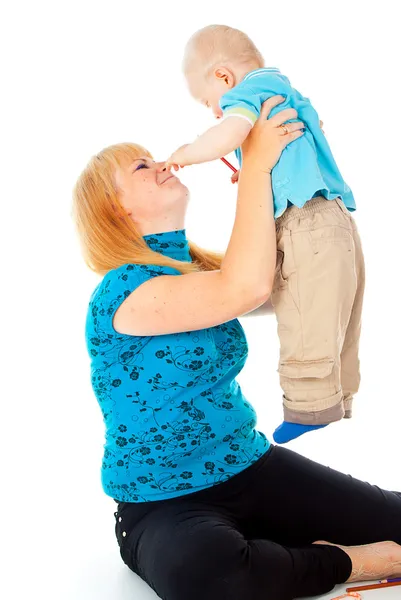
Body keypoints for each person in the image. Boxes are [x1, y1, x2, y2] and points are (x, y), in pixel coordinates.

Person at [73, 97, 401, 600]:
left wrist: (283, 169)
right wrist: (258, 169)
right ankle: (353, 562)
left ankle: (279, 552)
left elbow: (284, 280)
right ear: (116, 207)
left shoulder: (197, 272)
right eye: (141, 166)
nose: (162, 163)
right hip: (164, 503)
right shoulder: (122, 293)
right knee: (214, 578)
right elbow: (243, 288)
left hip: (251, 467)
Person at [166, 24, 365, 444]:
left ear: (223, 77)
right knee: (338, 315)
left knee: (304, 315)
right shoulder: (283, 90)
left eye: (209, 102)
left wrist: (187, 153)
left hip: (305, 221)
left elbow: (228, 132)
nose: (215, 113)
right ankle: (338, 397)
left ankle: (309, 407)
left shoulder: (247, 96)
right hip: (334, 219)